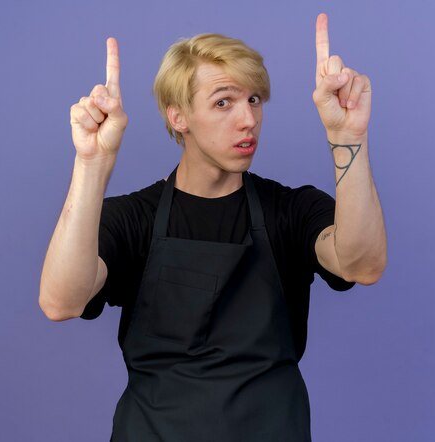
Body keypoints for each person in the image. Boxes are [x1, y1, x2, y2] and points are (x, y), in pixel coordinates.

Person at [39, 12, 386, 442]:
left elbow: (362, 264)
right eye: (224, 102)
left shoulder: (290, 211)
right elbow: (60, 301)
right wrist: (92, 164)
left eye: (254, 99)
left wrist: (348, 135)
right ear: (178, 117)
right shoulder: (133, 219)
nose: (248, 120)